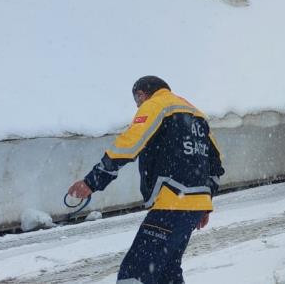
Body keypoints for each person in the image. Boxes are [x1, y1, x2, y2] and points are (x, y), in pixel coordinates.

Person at [67, 76, 224, 283]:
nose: (138, 106)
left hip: (172, 202)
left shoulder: (156, 105)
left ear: (141, 94)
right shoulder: (196, 114)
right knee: (167, 271)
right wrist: (204, 202)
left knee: (135, 273)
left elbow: (128, 145)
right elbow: (216, 164)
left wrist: (92, 181)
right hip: (192, 208)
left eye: (137, 101)